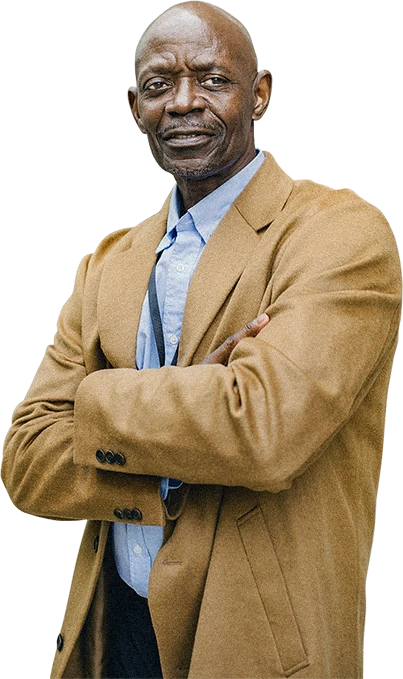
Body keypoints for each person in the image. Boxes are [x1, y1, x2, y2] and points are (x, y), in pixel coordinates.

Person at [1, 2, 401, 678]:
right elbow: (26, 459)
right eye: (159, 85)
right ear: (135, 109)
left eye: (213, 79)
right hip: (115, 631)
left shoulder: (339, 235)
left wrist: (96, 401)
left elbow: (263, 430)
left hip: (256, 641)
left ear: (260, 94)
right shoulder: (109, 261)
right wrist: (198, 403)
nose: (184, 102)